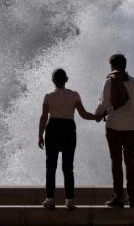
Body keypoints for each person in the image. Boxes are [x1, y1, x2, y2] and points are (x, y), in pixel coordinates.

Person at [36, 68, 97, 210]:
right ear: (66, 79)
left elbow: (44, 117)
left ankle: (50, 199)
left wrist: (40, 135)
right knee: (68, 167)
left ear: (53, 80)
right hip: (69, 129)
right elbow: (83, 114)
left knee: (51, 166)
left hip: (53, 129)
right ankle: (70, 200)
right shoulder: (74, 95)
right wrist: (96, 117)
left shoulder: (48, 96)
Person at [93, 53, 134, 208]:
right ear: (125, 65)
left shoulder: (109, 82)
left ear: (112, 66)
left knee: (116, 161)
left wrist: (96, 115)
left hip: (113, 127)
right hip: (131, 128)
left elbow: (103, 104)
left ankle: (119, 198)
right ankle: (133, 198)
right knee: (130, 161)